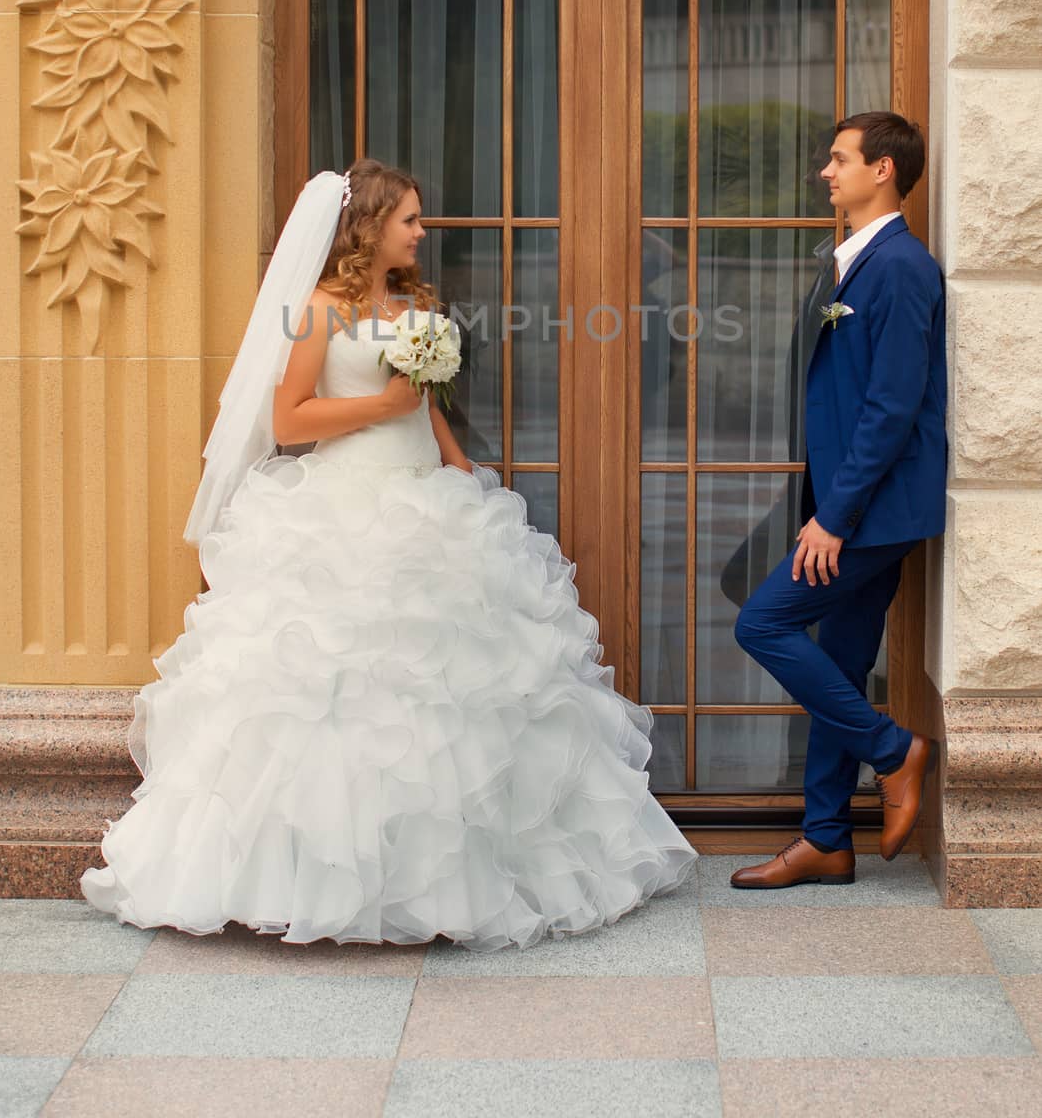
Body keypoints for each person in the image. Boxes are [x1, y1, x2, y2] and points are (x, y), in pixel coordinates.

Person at [80, 157, 696, 948]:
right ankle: (323, 881)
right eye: (410, 218)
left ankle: (457, 878)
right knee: (343, 696)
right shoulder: (316, 311)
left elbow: (425, 402)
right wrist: (381, 404)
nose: (422, 230)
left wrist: (457, 463)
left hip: (426, 501)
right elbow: (292, 422)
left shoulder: (411, 303)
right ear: (369, 226)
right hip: (346, 510)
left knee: (458, 691)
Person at [731, 112, 947, 890]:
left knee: (761, 622)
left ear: (882, 170)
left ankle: (894, 753)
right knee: (842, 660)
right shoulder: (852, 260)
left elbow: (892, 406)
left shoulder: (899, 267)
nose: (826, 172)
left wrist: (834, 517)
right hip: (850, 501)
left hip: (871, 510)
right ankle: (825, 837)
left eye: (838, 159)